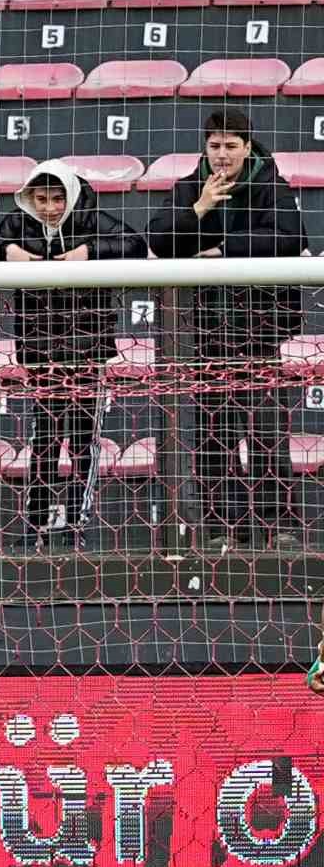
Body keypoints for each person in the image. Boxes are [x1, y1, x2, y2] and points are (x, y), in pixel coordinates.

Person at [147, 109, 308, 551]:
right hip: (206, 335)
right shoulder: (189, 187)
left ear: (247, 147)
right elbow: (158, 240)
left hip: (259, 332)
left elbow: (291, 237)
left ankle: (278, 526)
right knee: (213, 438)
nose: (222, 155)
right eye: (214, 146)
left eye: (230, 146)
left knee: (266, 434)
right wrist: (199, 208)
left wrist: (223, 250)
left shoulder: (271, 185)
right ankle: (221, 528)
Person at [0, 161, 149, 550]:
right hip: (40, 351)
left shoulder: (93, 220)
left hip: (87, 351)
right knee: (43, 441)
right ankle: (36, 525)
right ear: (29, 198)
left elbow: (135, 244)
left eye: (57, 199)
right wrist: (9, 250)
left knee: (82, 440)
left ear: (72, 196)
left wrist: (89, 252)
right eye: (41, 199)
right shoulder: (18, 223)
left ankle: (78, 523)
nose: (49, 208)